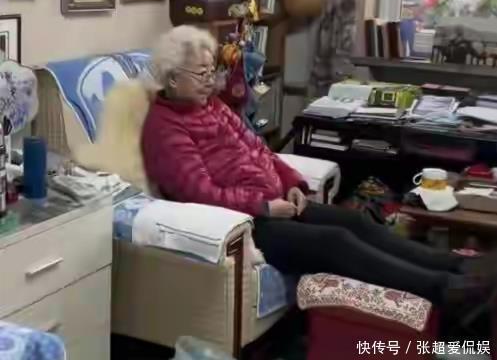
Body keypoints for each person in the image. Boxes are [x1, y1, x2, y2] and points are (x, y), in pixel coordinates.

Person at [141, 26, 492, 310]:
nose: (211, 80)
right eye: (201, 73)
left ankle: (455, 265)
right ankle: (444, 289)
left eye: (212, 70)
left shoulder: (213, 106)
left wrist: (291, 181)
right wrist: (263, 207)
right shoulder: (165, 128)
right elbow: (199, 192)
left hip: (276, 203)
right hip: (243, 223)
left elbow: (260, 150)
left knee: (355, 221)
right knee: (334, 242)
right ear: (171, 79)